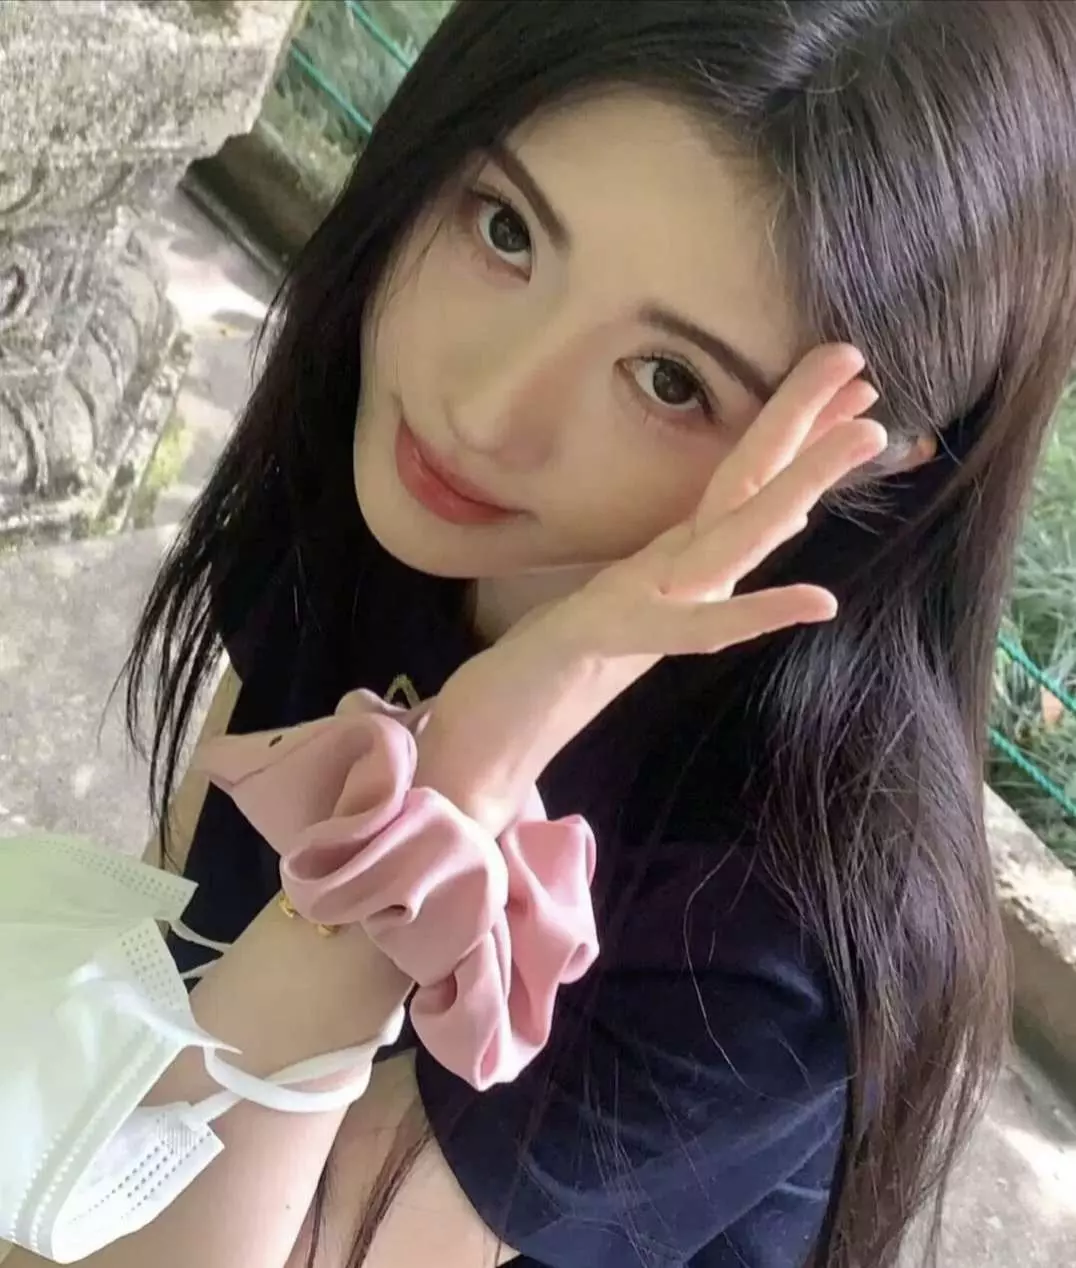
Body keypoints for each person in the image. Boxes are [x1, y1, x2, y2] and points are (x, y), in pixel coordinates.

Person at [9, 1, 1074, 1266]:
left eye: (670, 380)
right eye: (506, 229)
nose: (481, 407)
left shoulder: (776, 912)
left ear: (868, 464)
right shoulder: (386, 493)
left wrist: (456, 782)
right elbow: (169, 939)